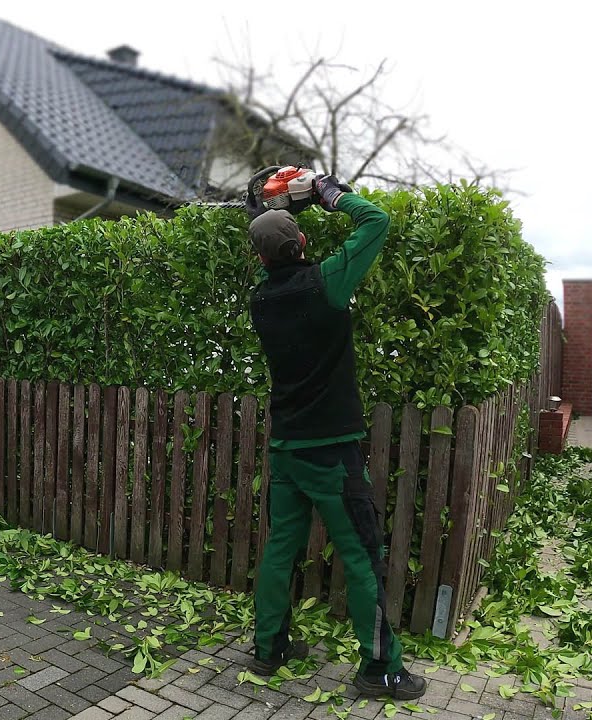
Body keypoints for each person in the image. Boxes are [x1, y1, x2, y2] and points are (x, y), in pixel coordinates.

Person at [244, 174, 426, 700]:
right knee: (361, 558)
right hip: (330, 454)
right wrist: (329, 192)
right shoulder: (326, 282)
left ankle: (269, 649)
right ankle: (380, 669)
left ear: (260, 259)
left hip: (286, 450)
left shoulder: (261, 300)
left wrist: (267, 215)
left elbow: (272, 249)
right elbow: (376, 220)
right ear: (302, 243)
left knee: (280, 549)